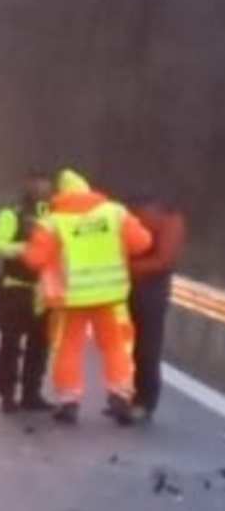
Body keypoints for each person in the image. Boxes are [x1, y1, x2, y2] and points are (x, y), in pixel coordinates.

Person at [22, 168, 155, 425]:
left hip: (71, 299)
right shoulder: (114, 212)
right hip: (109, 295)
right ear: (88, 189)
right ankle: (120, 394)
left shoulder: (53, 221)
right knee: (115, 346)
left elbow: (34, 259)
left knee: (68, 348)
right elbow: (143, 242)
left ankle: (69, 401)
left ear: (60, 194)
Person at [0, 169, 54, 411]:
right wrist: (25, 248)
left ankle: (31, 393)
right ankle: (7, 392)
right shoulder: (11, 213)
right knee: (11, 342)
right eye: (36, 183)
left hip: (44, 291)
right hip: (15, 288)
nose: (40, 188)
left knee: (40, 344)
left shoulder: (56, 216)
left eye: (45, 183)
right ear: (27, 185)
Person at [122, 185, 189, 424]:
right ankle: (130, 397)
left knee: (145, 347)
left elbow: (163, 261)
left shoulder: (167, 220)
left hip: (149, 290)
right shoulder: (168, 218)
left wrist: (124, 270)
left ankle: (143, 400)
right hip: (135, 287)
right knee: (129, 347)